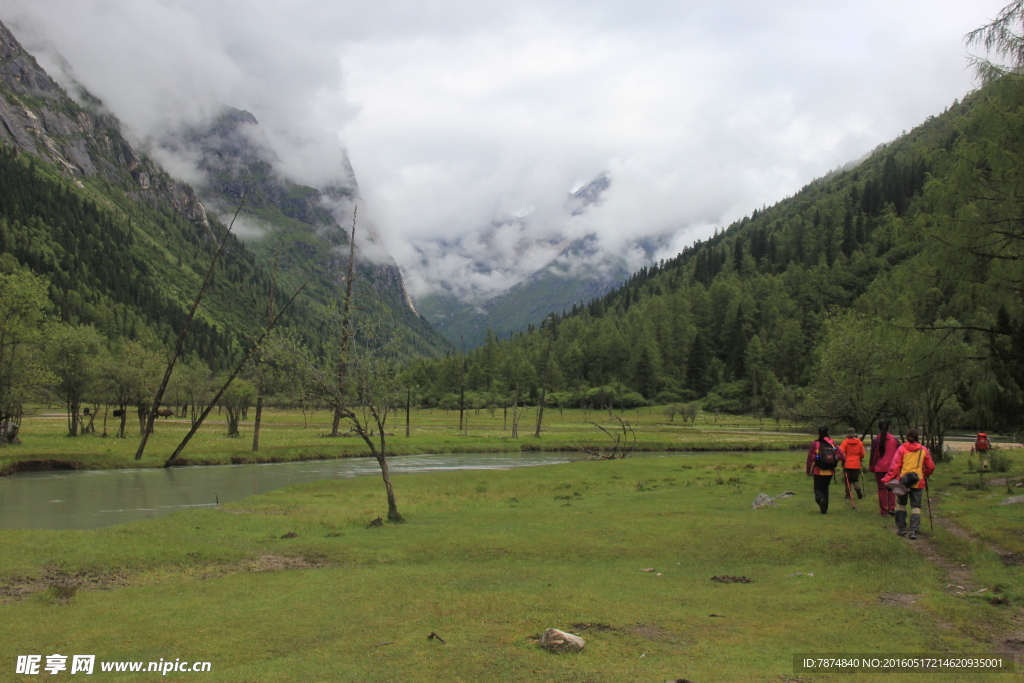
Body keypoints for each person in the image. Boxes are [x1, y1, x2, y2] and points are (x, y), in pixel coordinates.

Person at [881, 428, 936, 540]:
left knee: (901, 504)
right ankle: (913, 530)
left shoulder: (902, 449)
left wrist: (886, 479)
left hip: (903, 482)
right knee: (916, 506)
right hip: (918, 481)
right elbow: (931, 466)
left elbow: (894, 466)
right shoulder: (923, 450)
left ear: (906, 437)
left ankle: (901, 528)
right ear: (917, 437)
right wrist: (924, 473)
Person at [806, 425, 842, 514]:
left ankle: (821, 500)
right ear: (828, 433)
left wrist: (808, 470)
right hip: (830, 471)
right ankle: (824, 509)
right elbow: (841, 456)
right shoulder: (832, 444)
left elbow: (810, 458)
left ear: (818, 433)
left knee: (818, 488)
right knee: (825, 488)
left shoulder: (815, 444)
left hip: (818, 470)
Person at [868, 420, 900, 517]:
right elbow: (899, 454)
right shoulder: (894, 440)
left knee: (882, 489)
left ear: (879, 428)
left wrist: (871, 467)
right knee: (891, 488)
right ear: (889, 427)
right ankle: (892, 508)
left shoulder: (876, 440)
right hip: (892, 468)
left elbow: (873, 455)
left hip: (880, 468)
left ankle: (884, 510)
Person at [839, 428, 865, 499]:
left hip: (847, 464)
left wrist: (843, 459)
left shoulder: (845, 442)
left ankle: (848, 494)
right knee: (855, 479)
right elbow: (862, 454)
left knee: (847, 480)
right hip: (856, 464)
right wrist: (859, 458)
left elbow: (841, 452)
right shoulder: (859, 442)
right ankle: (857, 489)